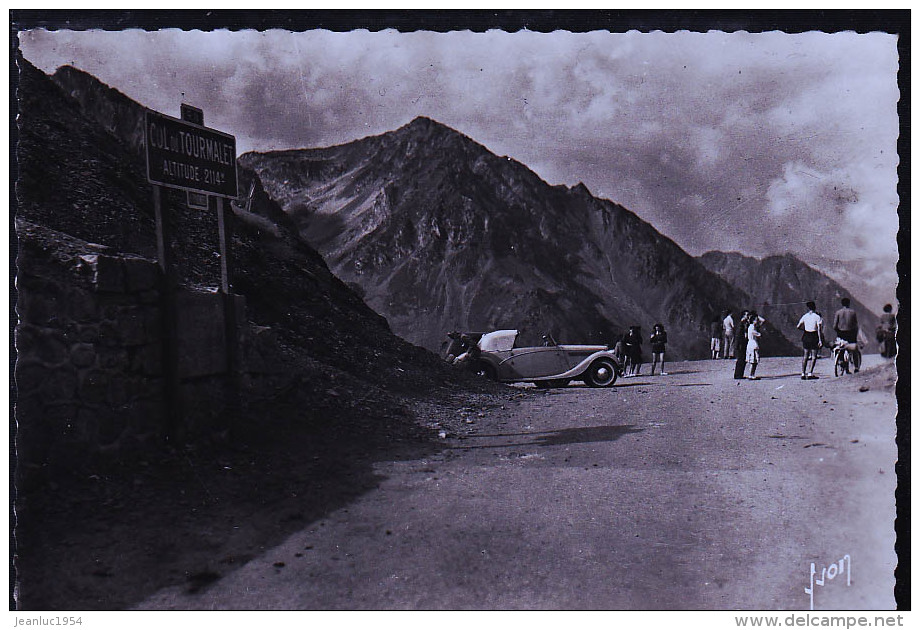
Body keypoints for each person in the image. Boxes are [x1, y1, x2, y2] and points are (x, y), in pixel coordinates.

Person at [796, 301, 823, 380]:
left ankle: (803, 373)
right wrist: (820, 340)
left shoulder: (805, 316)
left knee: (805, 356)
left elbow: (798, 326)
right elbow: (819, 330)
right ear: (815, 307)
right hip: (814, 336)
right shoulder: (817, 317)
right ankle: (810, 373)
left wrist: (804, 329)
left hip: (806, 335)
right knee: (814, 356)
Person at [833, 298, 861, 372]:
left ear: (842, 304)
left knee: (841, 347)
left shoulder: (838, 312)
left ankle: (842, 362)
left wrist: (838, 332)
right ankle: (856, 367)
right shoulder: (852, 312)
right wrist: (855, 333)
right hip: (851, 333)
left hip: (841, 333)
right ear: (849, 303)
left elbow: (834, 326)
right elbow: (855, 325)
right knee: (854, 349)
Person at [733, 310, 750, 380]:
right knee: (741, 359)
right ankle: (738, 375)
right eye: (747, 315)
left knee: (742, 360)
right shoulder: (741, 324)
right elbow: (739, 335)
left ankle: (739, 374)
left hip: (741, 344)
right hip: (741, 344)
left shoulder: (743, 323)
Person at [745, 310, 762, 380]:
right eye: (756, 320)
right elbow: (757, 334)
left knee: (754, 361)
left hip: (752, 344)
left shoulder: (751, 326)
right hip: (752, 344)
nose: (757, 321)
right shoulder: (752, 327)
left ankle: (752, 374)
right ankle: (751, 375)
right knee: (753, 361)